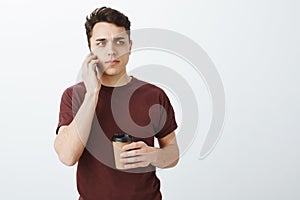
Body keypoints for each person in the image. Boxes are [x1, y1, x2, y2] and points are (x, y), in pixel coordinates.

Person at [54, 7, 179, 200]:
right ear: (90, 48)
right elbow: (67, 156)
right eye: (101, 43)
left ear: (129, 45)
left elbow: (173, 154)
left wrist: (152, 155)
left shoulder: (154, 95)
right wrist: (92, 93)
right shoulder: (75, 95)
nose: (111, 51)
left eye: (119, 41)